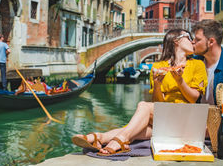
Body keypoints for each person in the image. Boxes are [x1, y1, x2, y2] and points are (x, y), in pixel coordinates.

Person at [72, 29, 208, 156]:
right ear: (176, 41)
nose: (192, 41)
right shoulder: (158, 67)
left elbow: (193, 98)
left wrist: (180, 80)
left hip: (186, 117)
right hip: (164, 120)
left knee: (143, 106)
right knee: (136, 130)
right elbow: (158, 102)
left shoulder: (198, 65)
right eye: (189, 38)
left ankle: (116, 139)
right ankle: (100, 137)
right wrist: (158, 84)